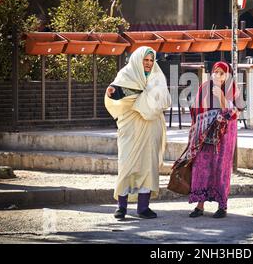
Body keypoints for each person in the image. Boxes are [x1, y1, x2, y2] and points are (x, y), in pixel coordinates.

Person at [104, 46, 171, 219]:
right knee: (127, 164)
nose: (148, 64)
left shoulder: (157, 76)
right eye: (145, 60)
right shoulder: (126, 74)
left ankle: (143, 208)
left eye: (151, 60)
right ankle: (121, 207)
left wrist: (146, 98)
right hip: (130, 126)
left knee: (148, 166)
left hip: (151, 127)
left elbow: (163, 99)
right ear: (137, 60)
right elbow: (116, 93)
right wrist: (113, 93)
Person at [181, 61, 244, 218]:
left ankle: (222, 206)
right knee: (201, 166)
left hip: (224, 136)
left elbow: (235, 113)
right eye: (215, 72)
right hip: (205, 134)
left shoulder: (233, 89)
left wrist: (222, 98)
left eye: (222, 73)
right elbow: (195, 109)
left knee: (220, 168)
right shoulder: (204, 87)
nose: (218, 76)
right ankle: (199, 205)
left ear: (227, 75)